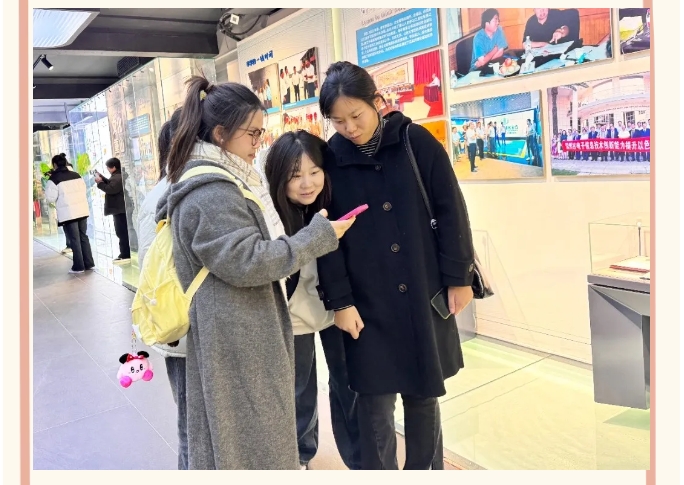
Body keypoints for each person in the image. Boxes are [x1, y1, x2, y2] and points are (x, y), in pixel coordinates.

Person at [157, 75, 355, 470]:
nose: (257, 143)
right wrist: (317, 236)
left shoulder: (217, 180)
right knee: (250, 439)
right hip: (236, 335)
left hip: (235, 330)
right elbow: (248, 260)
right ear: (221, 133)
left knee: (240, 436)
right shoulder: (212, 191)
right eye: (252, 134)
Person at [317, 61, 476, 470]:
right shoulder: (330, 159)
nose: (350, 128)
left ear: (377, 101)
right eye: (338, 121)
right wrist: (341, 301)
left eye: (356, 115)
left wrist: (459, 278)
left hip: (422, 289)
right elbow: (325, 238)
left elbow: (452, 209)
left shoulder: (414, 142)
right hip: (365, 301)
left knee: (423, 396)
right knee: (373, 402)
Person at [263, 130, 362, 470]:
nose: (307, 183)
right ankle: (300, 458)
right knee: (299, 391)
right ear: (279, 177)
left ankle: (358, 459)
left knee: (348, 383)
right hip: (294, 315)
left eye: (314, 172)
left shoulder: (334, 202)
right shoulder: (272, 215)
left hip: (337, 308)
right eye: (295, 176)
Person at [136, 108, 189, 470]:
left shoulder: (164, 191)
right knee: (193, 422)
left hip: (182, 330)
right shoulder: (170, 194)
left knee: (195, 420)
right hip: (184, 328)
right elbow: (153, 272)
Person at [44, 153, 94, 274]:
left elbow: (50, 198)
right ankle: (89, 264)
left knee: (74, 239)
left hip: (69, 213)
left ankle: (78, 266)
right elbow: (83, 190)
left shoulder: (54, 179)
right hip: (82, 210)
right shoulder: (76, 175)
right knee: (83, 237)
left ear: (54, 165)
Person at [94, 158, 130, 264]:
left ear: (113, 167)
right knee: (122, 232)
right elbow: (111, 184)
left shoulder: (118, 177)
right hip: (120, 208)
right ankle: (125, 253)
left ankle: (125, 254)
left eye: (108, 167)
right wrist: (103, 179)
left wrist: (100, 183)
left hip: (119, 209)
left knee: (121, 232)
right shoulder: (118, 176)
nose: (107, 169)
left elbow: (111, 189)